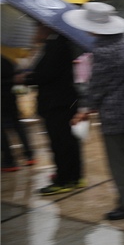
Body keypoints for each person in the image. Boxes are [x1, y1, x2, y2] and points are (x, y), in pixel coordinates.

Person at [63, 2, 124, 221]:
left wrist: (84, 110)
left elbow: (97, 86)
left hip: (115, 114)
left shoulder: (104, 49)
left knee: (119, 162)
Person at [13, 24, 82, 194]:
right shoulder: (61, 43)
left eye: (37, 28)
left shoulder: (55, 45)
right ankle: (74, 176)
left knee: (60, 142)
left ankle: (64, 179)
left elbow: (45, 74)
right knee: (68, 141)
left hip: (56, 103)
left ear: (46, 28)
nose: (35, 31)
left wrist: (26, 78)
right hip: (64, 101)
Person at [1, 55, 35, 172]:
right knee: (17, 124)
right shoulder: (6, 59)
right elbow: (17, 76)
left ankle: (9, 161)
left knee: (2, 131)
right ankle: (29, 155)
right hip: (11, 97)